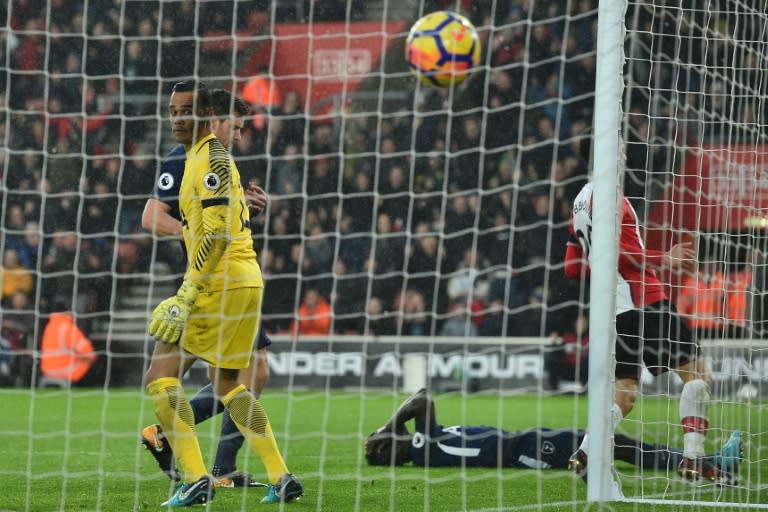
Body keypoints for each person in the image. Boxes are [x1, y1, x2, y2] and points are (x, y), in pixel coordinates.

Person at [143, 81, 302, 507]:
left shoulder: (209, 159)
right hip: (243, 280)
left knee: (160, 377)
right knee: (232, 382)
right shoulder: (201, 158)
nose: (176, 118)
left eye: (185, 111)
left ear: (206, 117)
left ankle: (194, 477)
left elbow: (212, 235)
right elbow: (201, 221)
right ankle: (281, 476)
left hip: (217, 281)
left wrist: (186, 292)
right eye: (172, 111)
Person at [563, 180, 735, 485]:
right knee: (699, 378)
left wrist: (607, 276)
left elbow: (572, 269)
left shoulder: (577, 206)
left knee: (625, 394)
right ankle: (694, 461)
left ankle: (586, 453)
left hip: (614, 310)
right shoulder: (611, 196)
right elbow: (612, 250)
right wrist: (662, 258)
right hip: (647, 301)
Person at [364, 389, 742, 474]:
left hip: (529, 441)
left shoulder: (424, 445)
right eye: (388, 442)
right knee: (615, 444)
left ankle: (700, 462)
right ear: (393, 448)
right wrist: (387, 426)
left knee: (616, 446)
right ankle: (706, 463)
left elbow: (421, 402)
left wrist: (386, 431)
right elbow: (422, 399)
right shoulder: (423, 449)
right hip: (528, 450)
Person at [39, 306, 97, 385]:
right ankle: (87, 386)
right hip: (65, 370)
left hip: (47, 370)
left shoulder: (48, 327)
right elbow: (88, 351)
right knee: (90, 360)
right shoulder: (68, 328)